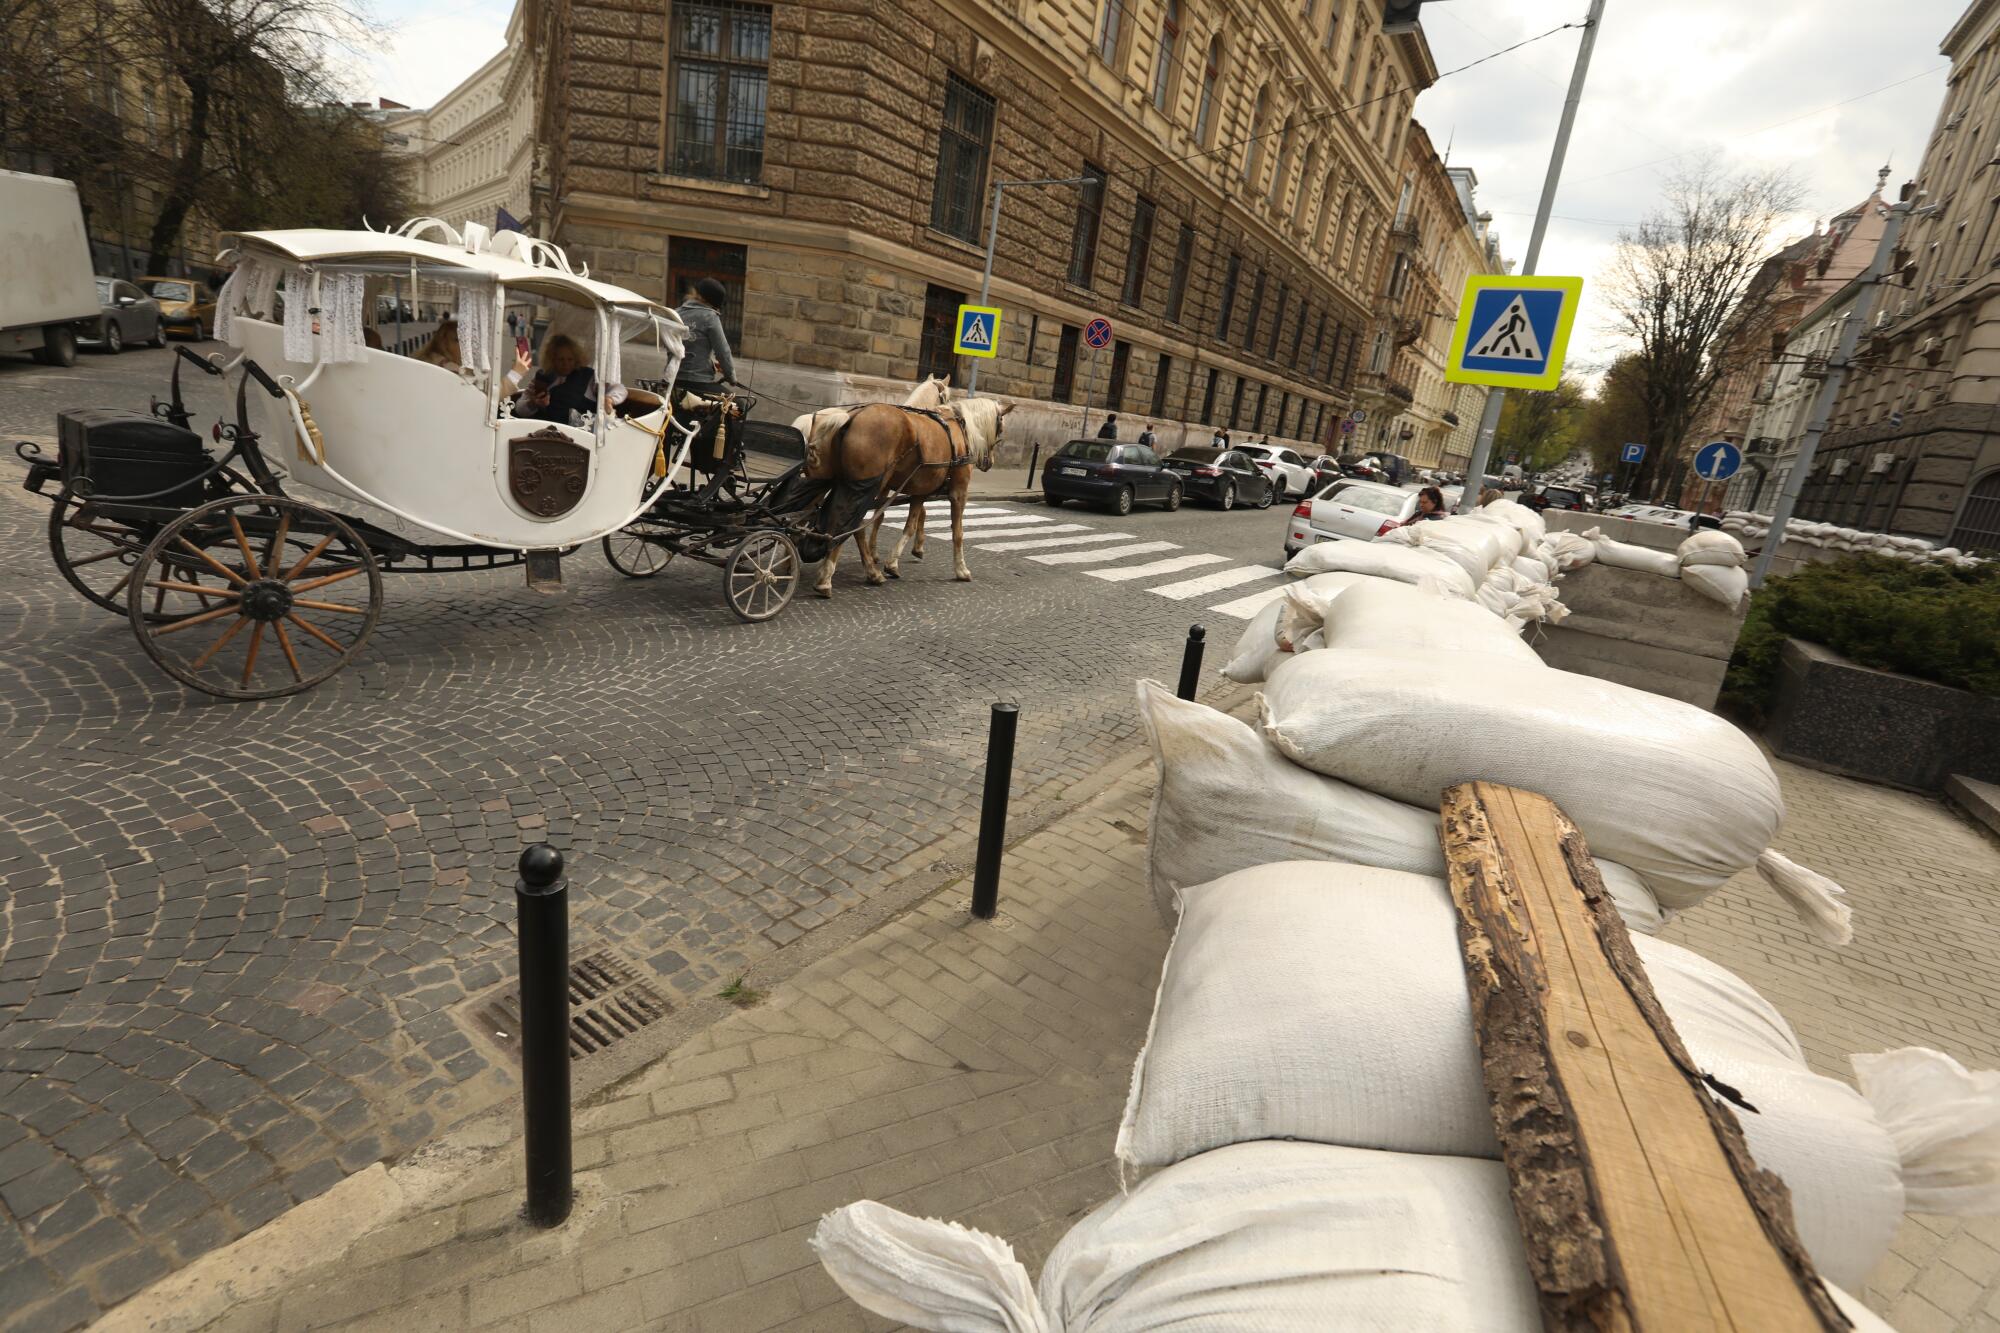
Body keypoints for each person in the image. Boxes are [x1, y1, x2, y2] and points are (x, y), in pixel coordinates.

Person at [673, 278, 739, 488]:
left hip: (675, 385)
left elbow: (687, 350)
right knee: (739, 406)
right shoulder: (710, 317)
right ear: (713, 303)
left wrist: (709, 364)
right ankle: (723, 461)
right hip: (699, 385)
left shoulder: (677, 313)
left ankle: (705, 456)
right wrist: (731, 376)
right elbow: (724, 352)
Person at [515, 334, 598, 423]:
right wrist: (533, 403)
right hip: (548, 430)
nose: (566, 364)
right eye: (561, 359)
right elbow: (520, 410)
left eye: (570, 359)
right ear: (552, 360)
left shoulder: (588, 377)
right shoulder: (542, 378)